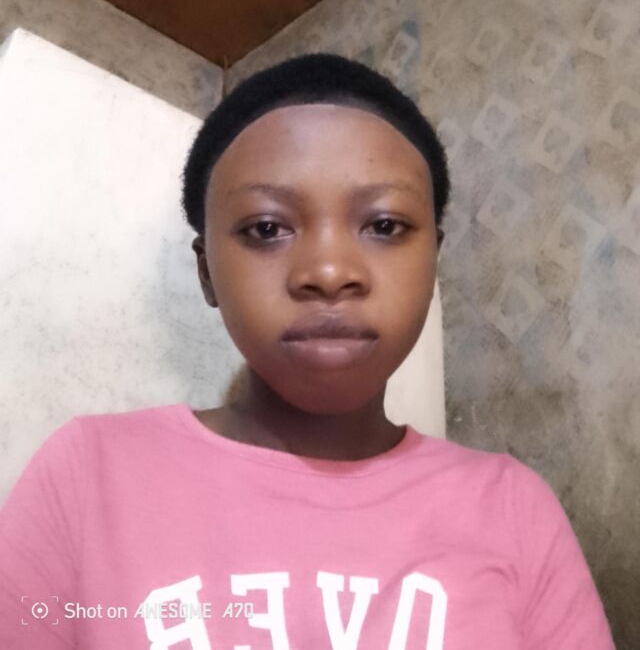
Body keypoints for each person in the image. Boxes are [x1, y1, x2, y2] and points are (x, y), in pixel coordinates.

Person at [0, 54, 614, 648]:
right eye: (267, 228)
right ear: (207, 272)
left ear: (433, 260)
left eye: (384, 226)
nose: (328, 272)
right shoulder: (89, 473)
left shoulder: (512, 507)